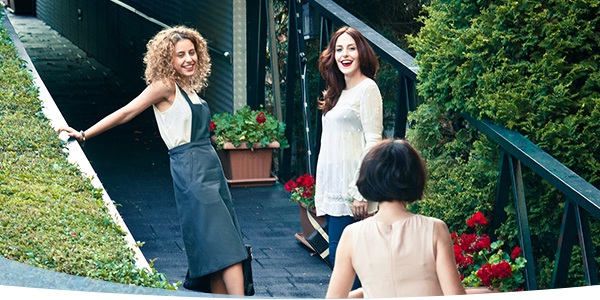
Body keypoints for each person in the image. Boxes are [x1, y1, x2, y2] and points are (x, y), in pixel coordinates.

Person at [58, 26, 247, 295]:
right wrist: (85, 134)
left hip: (208, 168)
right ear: (167, 60)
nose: (188, 59)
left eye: (192, 52)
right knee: (226, 248)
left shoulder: (187, 87)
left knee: (213, 250)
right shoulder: (165, 86)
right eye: (180, 54)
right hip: (191, 171)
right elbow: (127, 112)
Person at [325, 139, 467, 298]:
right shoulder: (435, 229)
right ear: (415, 178)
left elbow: (335, 297)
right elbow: (455, 296)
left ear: (369, 177)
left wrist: (362, 293)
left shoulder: (351, 234)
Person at [314, 26, 382, 274]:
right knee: (341, 260)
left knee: (347, 262)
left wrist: (361, 191)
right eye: (339, 49)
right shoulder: (335, 93)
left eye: (351, 48)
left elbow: (374, 142)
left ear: (361, 52)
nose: (345, 54)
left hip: (353, 194)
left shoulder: (368, 89)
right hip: (333, 190)